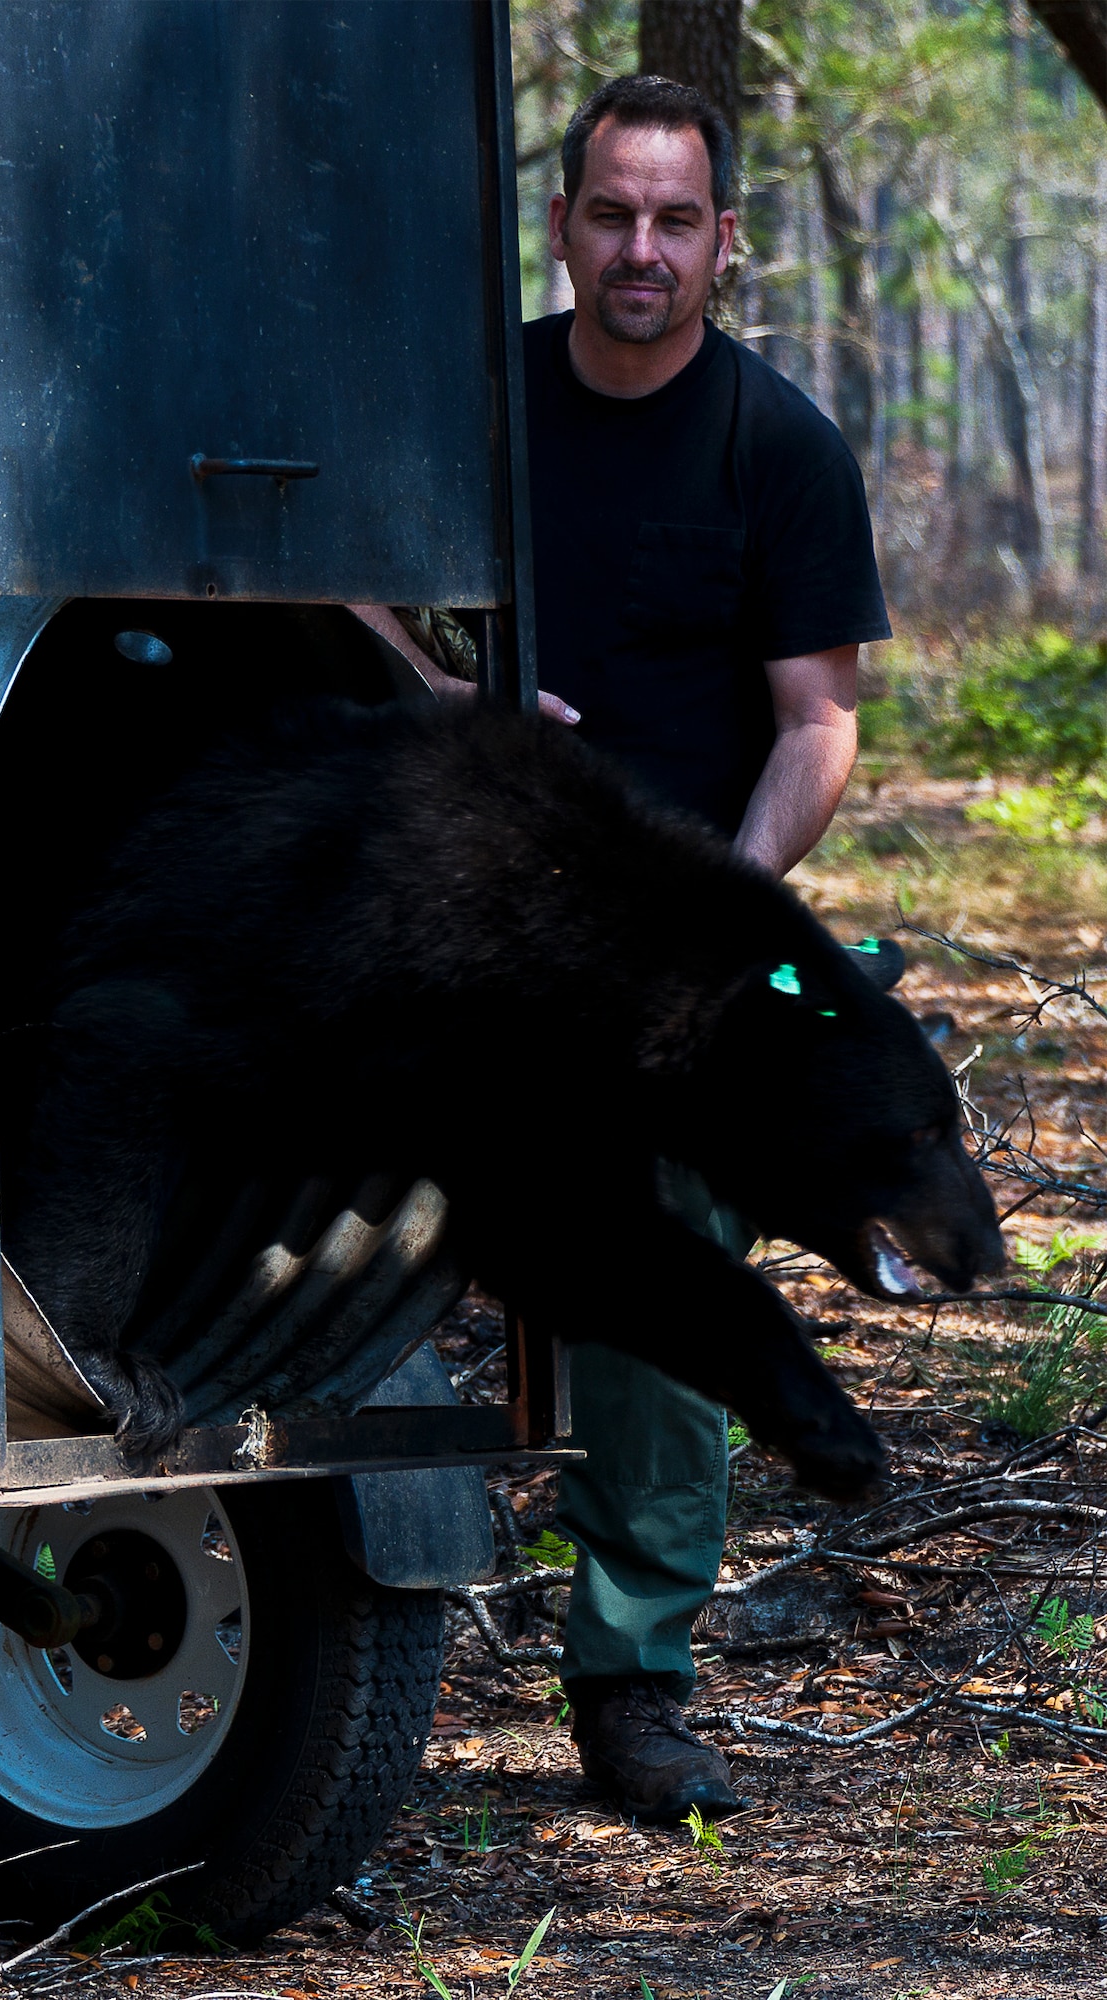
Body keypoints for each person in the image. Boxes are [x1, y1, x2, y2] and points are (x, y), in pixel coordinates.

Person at [353, 73, 890, 1824]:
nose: (638, 249)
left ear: (721, 241)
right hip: (449, 924)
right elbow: (329, 569)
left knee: (667, 1274)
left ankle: (632, 1678)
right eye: (609, 213)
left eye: (674, 220)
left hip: (662, 962)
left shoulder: (778, 445)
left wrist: (719, 921)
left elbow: (816, 728)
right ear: (565, 222)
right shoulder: (474, 401)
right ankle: (282, 1595)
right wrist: (425, 687)